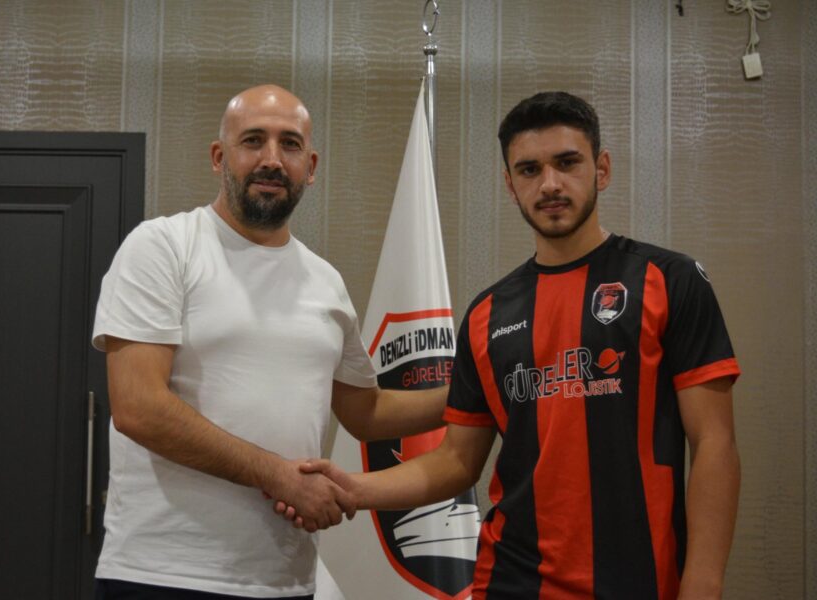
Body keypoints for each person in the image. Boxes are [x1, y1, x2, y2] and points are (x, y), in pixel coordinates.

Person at [288, 91, 741, 600]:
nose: (550, 184)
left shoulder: (671, 281)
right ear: (510, 184)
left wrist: (703, 582)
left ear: (602, 169)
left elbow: (714, 443)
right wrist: (352, 489)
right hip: (511, 581)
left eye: (567, 163)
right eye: (529, 170)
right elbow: (457, 461)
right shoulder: (488, 314)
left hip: (643, 581)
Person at [91, 84, 448, 600]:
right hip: (163, 574)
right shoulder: (162, 246)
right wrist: (280, 477)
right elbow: (138, 407)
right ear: (219, 157)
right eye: (253, 140)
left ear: (311, 166)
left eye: (290, 144)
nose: (272, 160)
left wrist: (477, 391)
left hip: (285, 580)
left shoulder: (325, 281)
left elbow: (367, 413)